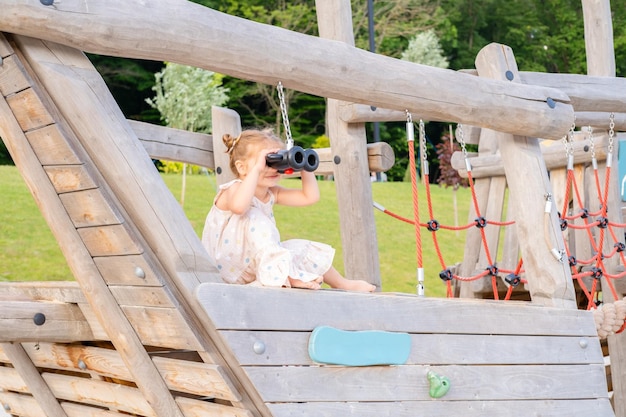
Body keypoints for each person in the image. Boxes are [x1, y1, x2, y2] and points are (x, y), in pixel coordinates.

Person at [202, 128, 376, 292]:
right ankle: (289, 276)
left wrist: (304, 169)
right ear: (242, 167)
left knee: (298, 248)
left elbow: (310, 197)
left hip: (255, 268)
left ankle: (342, 283)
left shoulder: (272, 193)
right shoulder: (233, 189)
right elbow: (239, 207)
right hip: (226, 268)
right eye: (268, 161)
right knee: (254, 216)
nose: (274, 168)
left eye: (279, 161)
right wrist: (257, 169)